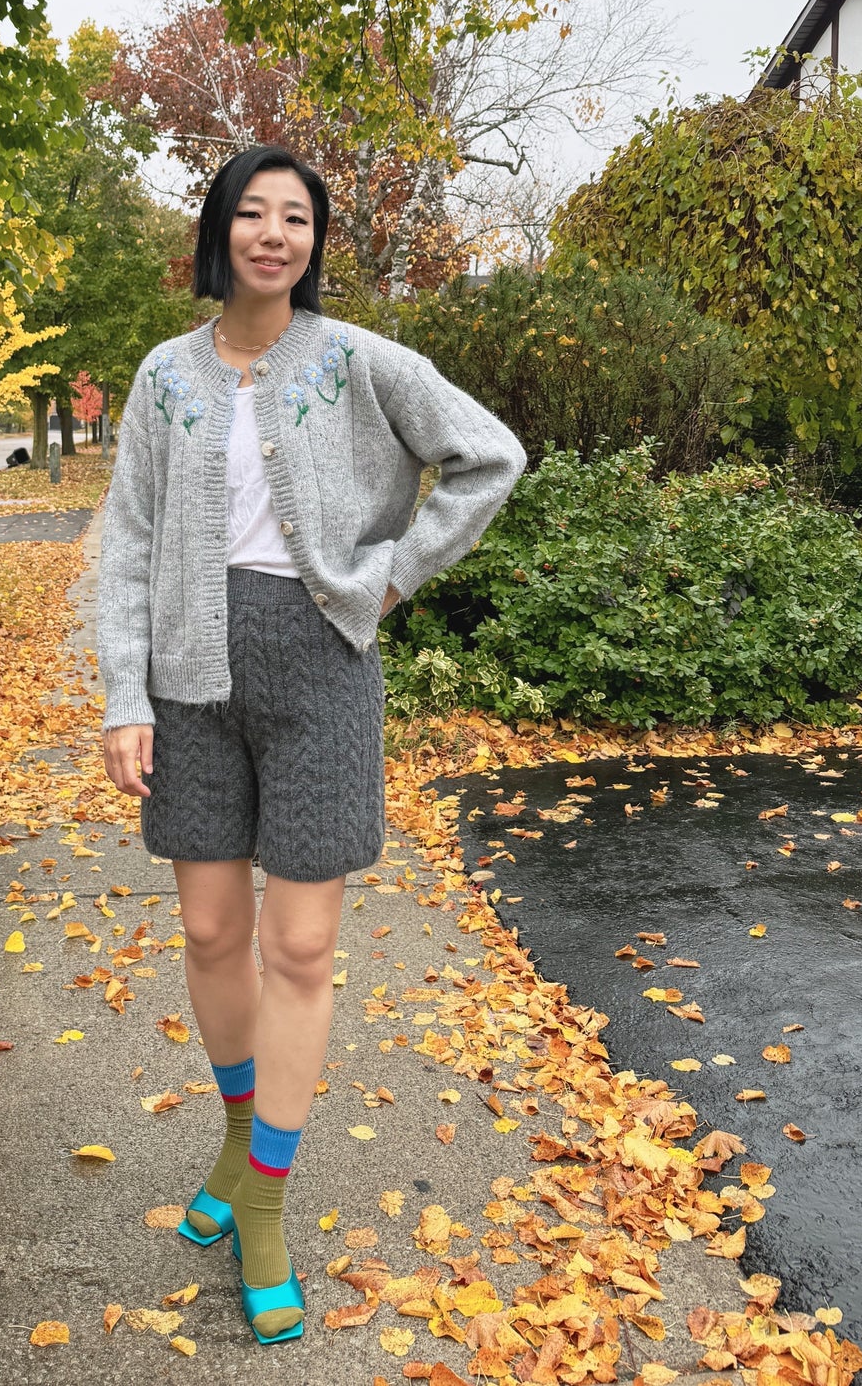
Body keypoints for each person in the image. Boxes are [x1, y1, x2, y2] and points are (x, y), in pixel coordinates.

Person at [97, 144, 526, 1346]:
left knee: (298, 944)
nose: (273, 234)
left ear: (313, 242)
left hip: (321, 675)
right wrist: (121, 695)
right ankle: (239, 1137)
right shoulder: (163, 376)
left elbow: (487, 453)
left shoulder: (352, 361)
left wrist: (389, 577)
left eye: (294, 217)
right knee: (208, 930)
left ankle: (268, 1203)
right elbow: (126, 542)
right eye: (252, 212)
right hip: (187, 678)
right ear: (218, 231)